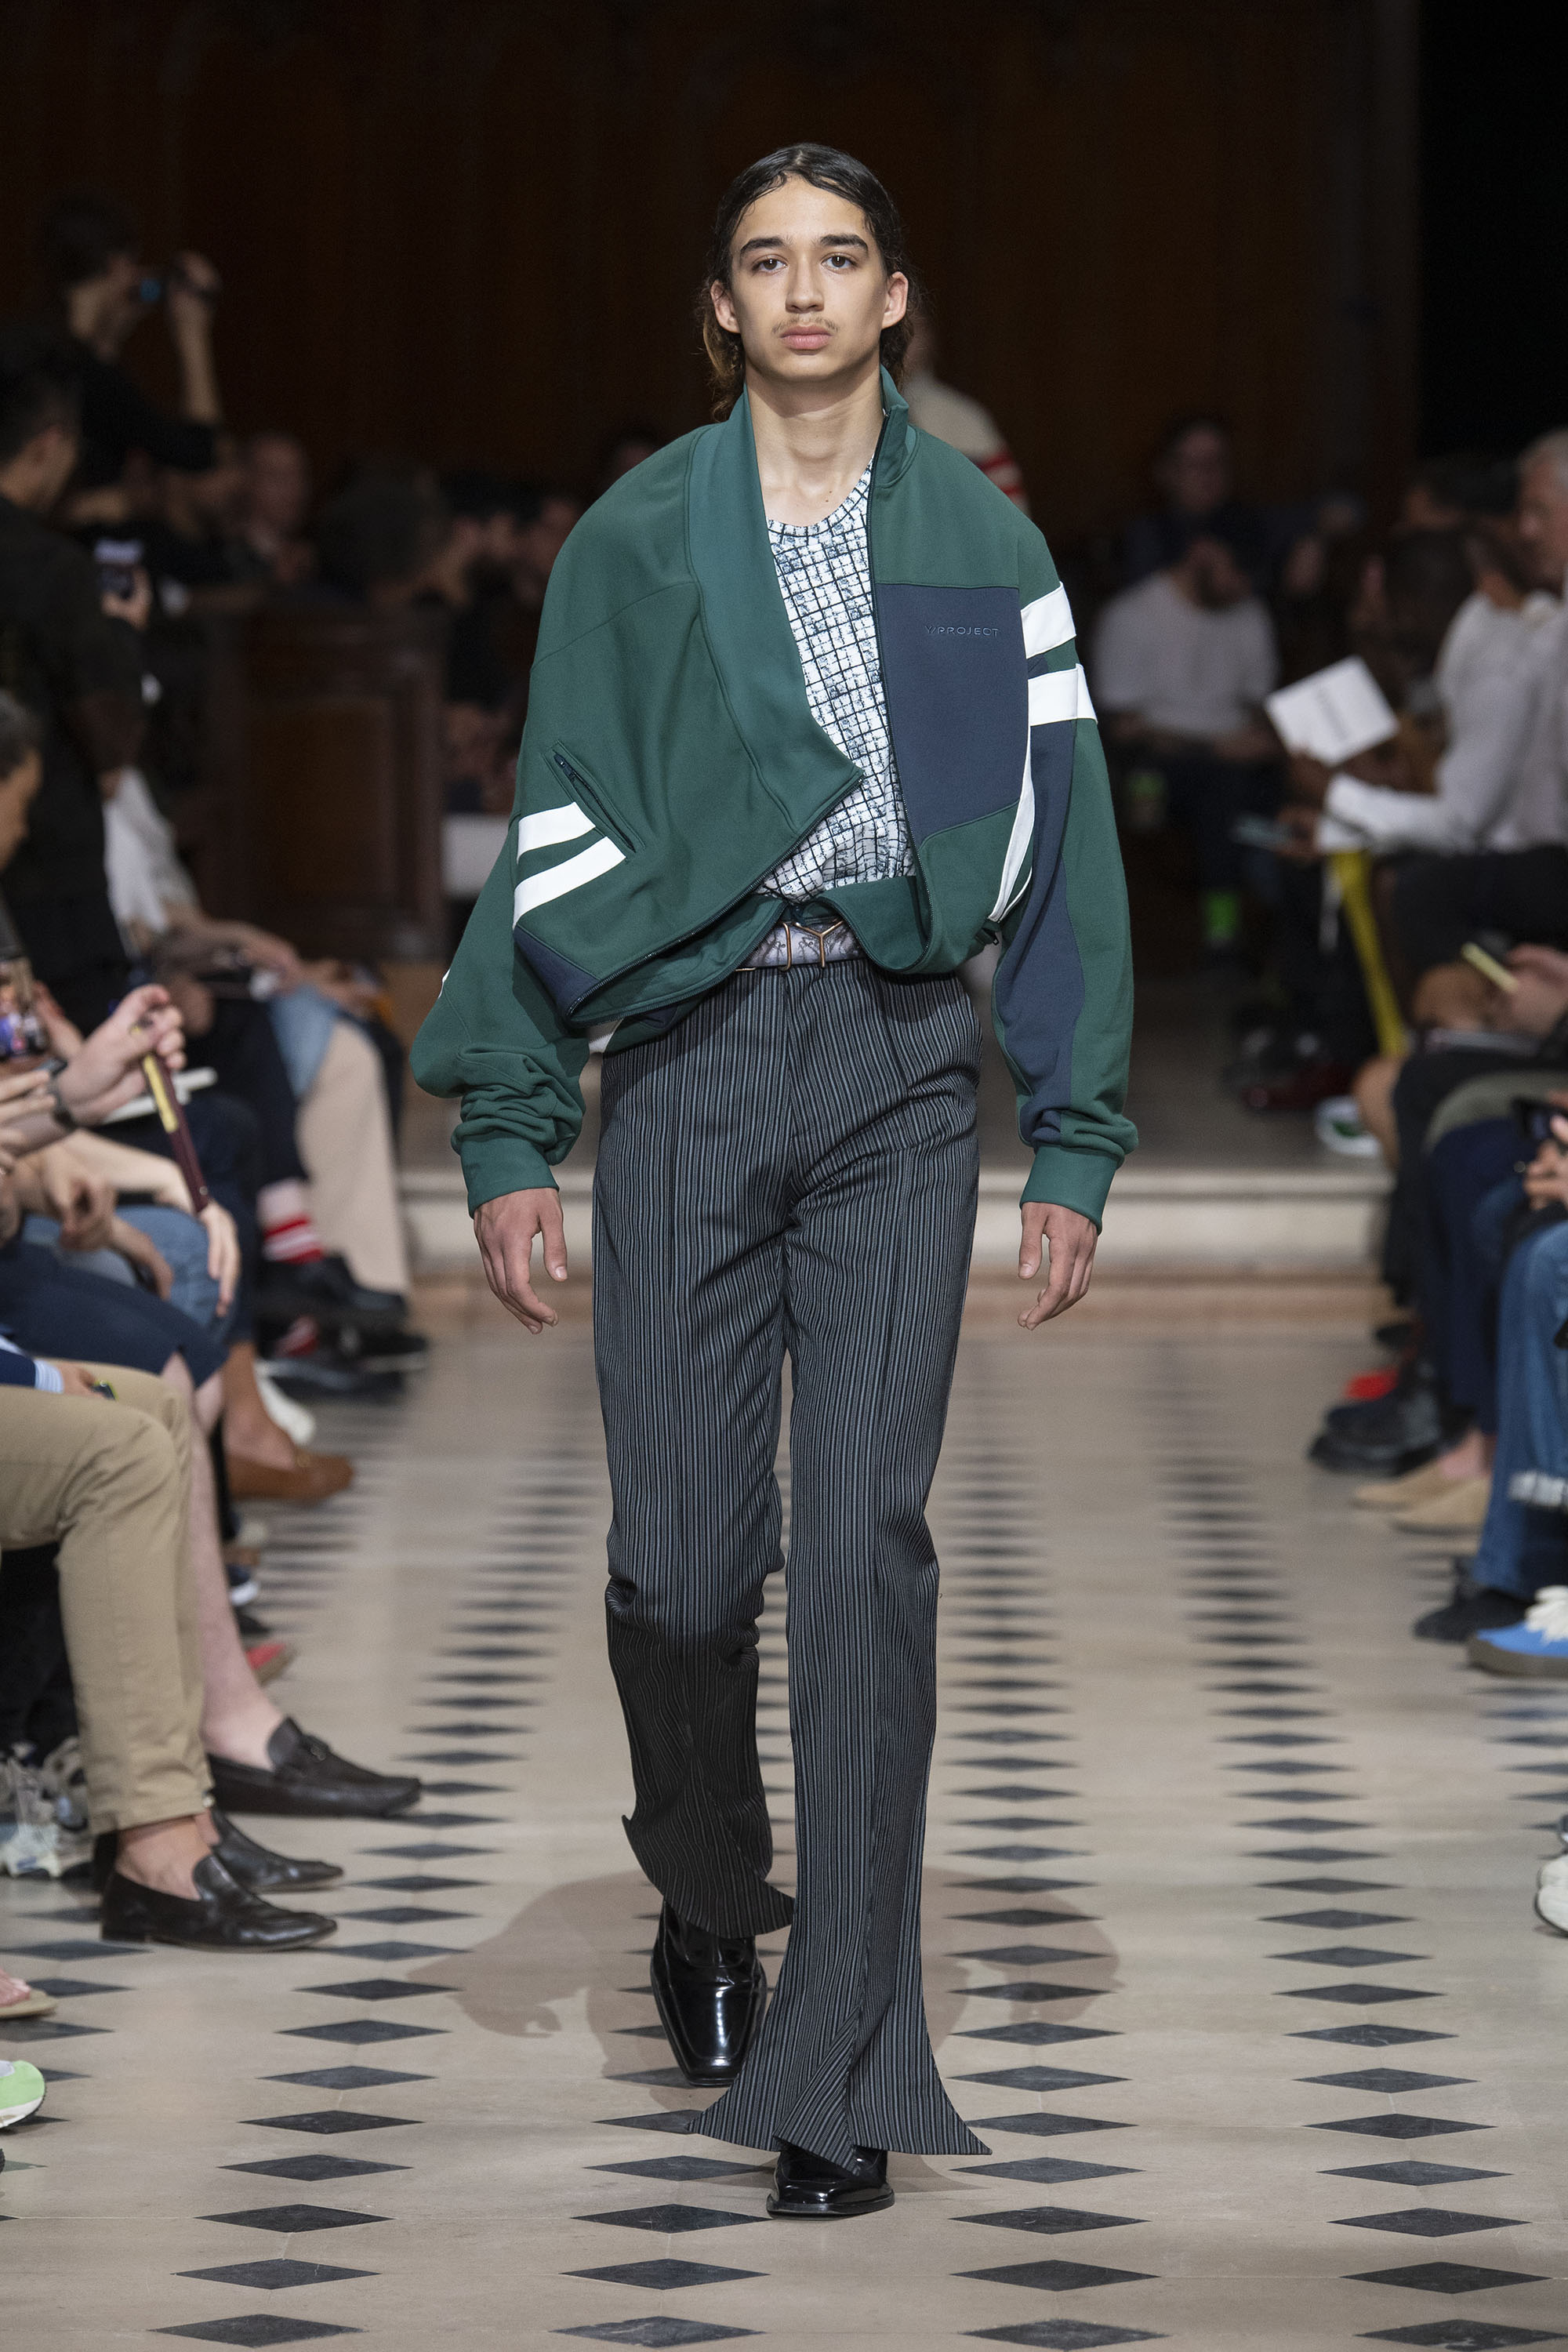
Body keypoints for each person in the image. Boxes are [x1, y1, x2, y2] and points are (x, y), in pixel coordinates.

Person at [414, 142, 1134, 2220]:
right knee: (677, 1573)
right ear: (720, 306)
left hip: (901, 1064)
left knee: (866, 1555)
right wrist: (509, 1122)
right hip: (691, 1064)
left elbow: (1063, 836)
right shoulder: (634, 539)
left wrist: (1073, 1130)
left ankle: (842, 2066)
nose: (804, 291)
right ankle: (711, 1892)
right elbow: (556, 824)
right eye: (765, 261)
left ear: (895, 296)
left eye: (839, 258)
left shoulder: (986, 537)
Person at [0, 335, 140, 1029]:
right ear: (49, 443)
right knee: (87, 1043)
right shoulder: (52, 567)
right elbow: (107, 744)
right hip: (49, 866)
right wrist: (125, 635)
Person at [1093, 523, 1279, 956]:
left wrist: (1267, 740)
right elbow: (1122, 727)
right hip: (1156, 769)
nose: (1242, 586)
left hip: (1241, 763)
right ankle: (1222, 937)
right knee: (1219, 798)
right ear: (1202, 554)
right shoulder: (1132, 616)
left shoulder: (1249, 613)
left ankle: (1275, 937)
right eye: (1236, 571)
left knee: (1264, 803)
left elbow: (1261, 705)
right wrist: (1214, 747)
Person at [34, 189, 222, 495]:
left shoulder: (28, 347)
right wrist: (193, 333)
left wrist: (110, 337)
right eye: (132, 265)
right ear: (116, 263)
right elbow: (198, 454)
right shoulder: (97, 379)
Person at [900, 311, 1028, 509]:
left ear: (929, 336)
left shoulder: (965, 420)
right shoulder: (851, 417)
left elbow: (1011, 513)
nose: (899, 340)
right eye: (888, 330)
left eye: (910, 328)